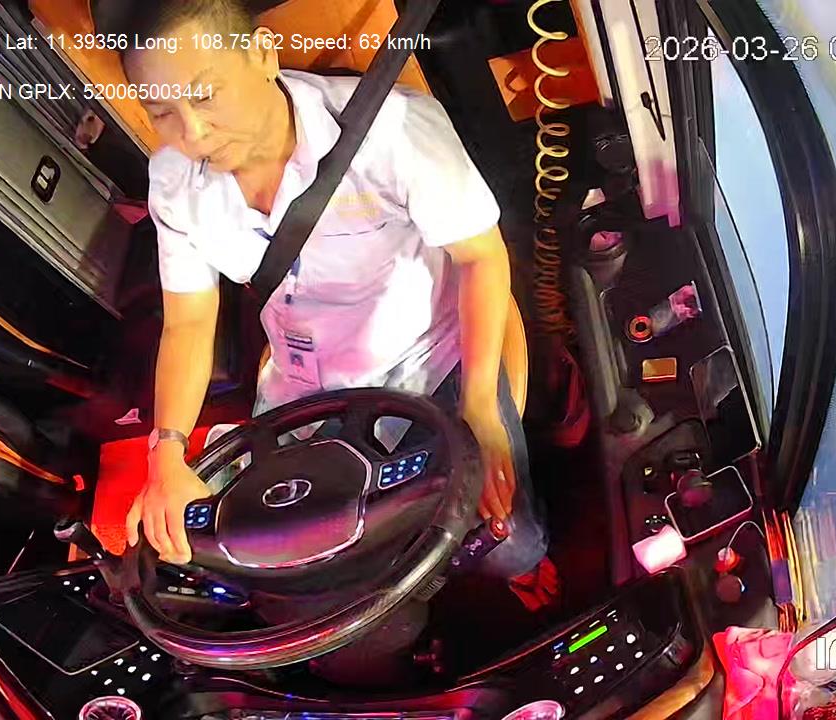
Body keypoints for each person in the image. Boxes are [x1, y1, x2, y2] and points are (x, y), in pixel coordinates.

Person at [119, 0, 559, 610]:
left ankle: (524, 573)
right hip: (303, 387)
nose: (192, 134)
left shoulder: (394, 130)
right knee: (290, 565)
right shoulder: (174, 181)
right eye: (162, 112)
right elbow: (190, 321)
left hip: (432, 361)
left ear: (262, 54)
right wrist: (165, 451)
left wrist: (480, 406)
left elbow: (482, 258)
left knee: (508, 542)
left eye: (205, 95)